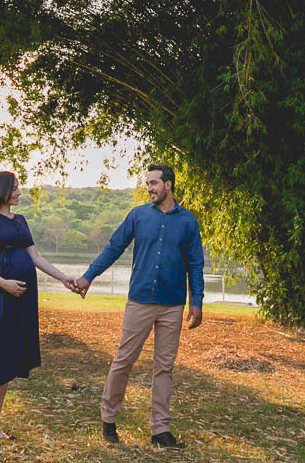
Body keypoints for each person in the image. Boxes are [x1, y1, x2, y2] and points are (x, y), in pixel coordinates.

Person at [73, 164, 204, 450]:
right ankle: (108, 419)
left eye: (154, 183)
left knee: (164, 368)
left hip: (172, 305)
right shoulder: (138, 215)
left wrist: (197, 301)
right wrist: (88, 276)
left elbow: (195, 264)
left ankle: (160, 429)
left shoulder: (188, 222)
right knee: (124, 360)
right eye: (147, 183)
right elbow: (113, 247)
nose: (149, 188)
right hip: (140, 301)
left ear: (168, 185)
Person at [0, 170, 77, 444]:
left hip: (22, 299)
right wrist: (3, 284)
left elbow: (35, 257)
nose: (19, 192)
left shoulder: (20, 221)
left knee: (10, 359)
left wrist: (63, 277)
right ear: (1, 190)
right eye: (14, 188)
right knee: (0, 361)